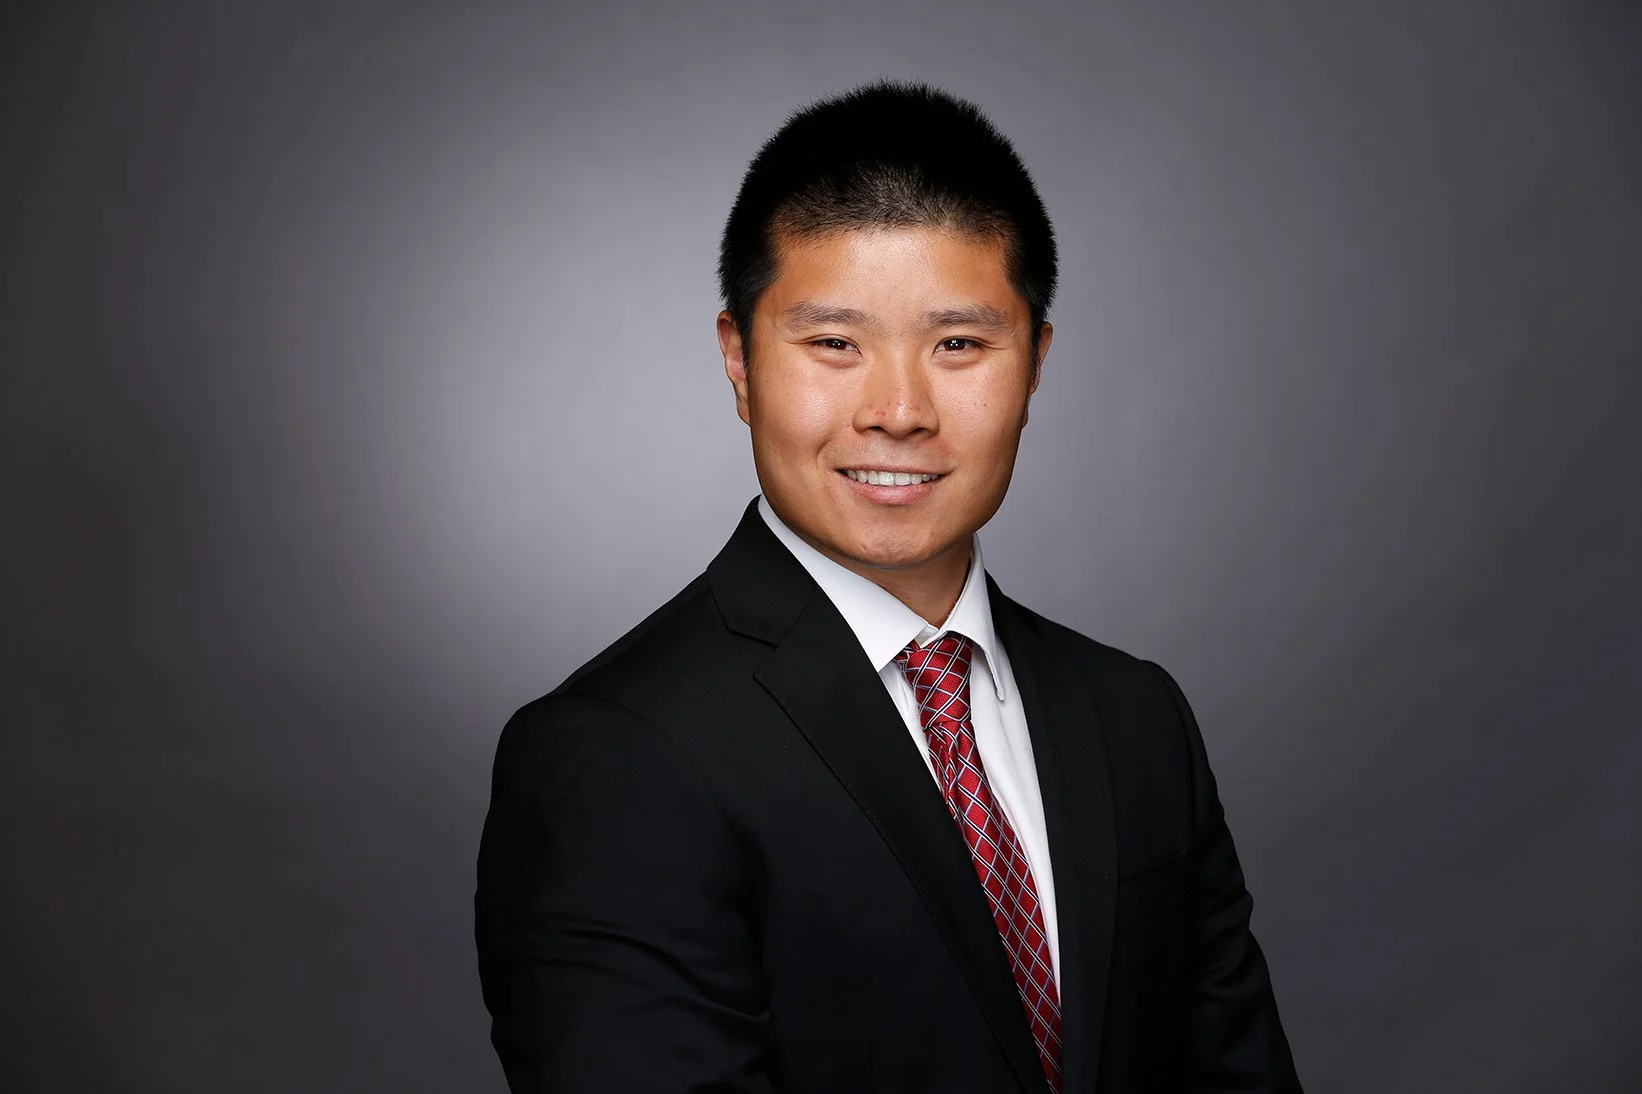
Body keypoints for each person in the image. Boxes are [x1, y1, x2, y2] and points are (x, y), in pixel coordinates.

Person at [475, 80, 1301, 1093]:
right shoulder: (610, 753)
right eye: (833, 343)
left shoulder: (1135, 719)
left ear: (1035, 362)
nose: (899, 409)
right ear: (738, 360)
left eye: (959, 344)